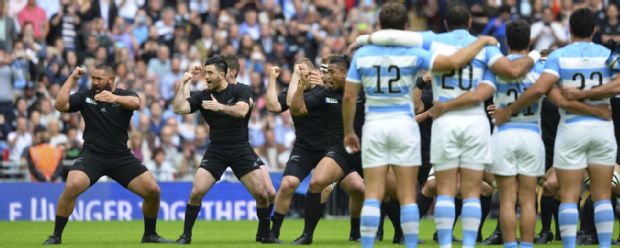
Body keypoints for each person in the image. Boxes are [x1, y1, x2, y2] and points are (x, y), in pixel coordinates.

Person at [343, 3, 502, 248]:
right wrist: (481, 43)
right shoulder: (416, 54)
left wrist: (349, 132)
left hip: (376, 123)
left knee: (373, 193)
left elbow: (348, 97)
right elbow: (452, 62)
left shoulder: (364, 55)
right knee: (411, 195)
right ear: (405, 27)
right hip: (412, 124)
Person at [496, 8, 617, 248]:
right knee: (602, 195)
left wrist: (510, 109)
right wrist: (592, 98)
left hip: (571, 129)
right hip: (602, 128)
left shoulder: (558, 57)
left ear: (569, 30)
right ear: (594, 30)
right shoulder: (608, 54)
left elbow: (541, 89)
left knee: (569, 197)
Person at [43, 65, 170, 244]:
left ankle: (149, 235)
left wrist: (114, 98)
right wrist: (72, 78)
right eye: (93, 78)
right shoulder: (86, 96)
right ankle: (56, 235)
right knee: (71, 186)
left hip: (120, 156)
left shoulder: (125, 95)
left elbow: (137, 103)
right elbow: (60, 105)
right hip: (92, 155)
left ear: (111, 80)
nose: (94, 82)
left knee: (153, 191)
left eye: (99, 79)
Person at [172, 56, 277, 244]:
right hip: (216, 151)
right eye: (205, 73)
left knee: (262, 194)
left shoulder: (241, 89)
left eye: (210, 73)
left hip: (240, 149)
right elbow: (180, 108)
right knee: (196, 192)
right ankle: (186, 236)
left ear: (222, 74)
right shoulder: (203, 94)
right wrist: (184, 82)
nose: (207, 76)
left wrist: (219, 107)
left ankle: (265, 234)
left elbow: (241, 111)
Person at [288, 54, 366, 245]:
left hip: (368, 149)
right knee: (316, 184)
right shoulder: (325, 93)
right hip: (340, 149)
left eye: (331, 72)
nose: (326, 77)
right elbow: (297, 110)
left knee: (387, 190)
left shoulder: (364, 90)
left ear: (345, 73)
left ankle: (399, 233)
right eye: (326, 72)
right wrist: (300, 86)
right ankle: (307, 235)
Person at [264, 59, 332, 241]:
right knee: (288, 184)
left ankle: (356, 232)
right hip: (304, 148)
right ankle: (274, 232)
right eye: (299, 73)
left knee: (355, 187)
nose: (304, 76)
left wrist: (326, 84)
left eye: (306, 73)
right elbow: (273, 106)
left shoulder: (325, 90)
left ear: (314, 72)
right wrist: (272, 79)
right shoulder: (293, 92)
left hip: (330, 149)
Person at [220, 54, 278, 242]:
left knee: (270, 192)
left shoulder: (242, 91)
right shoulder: (216, 91)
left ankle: (263, 232)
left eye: (223, 70)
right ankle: (264, 234)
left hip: (244, 147)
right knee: (263, 192)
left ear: (232, 72)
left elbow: (246, 107)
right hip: (222, 148)